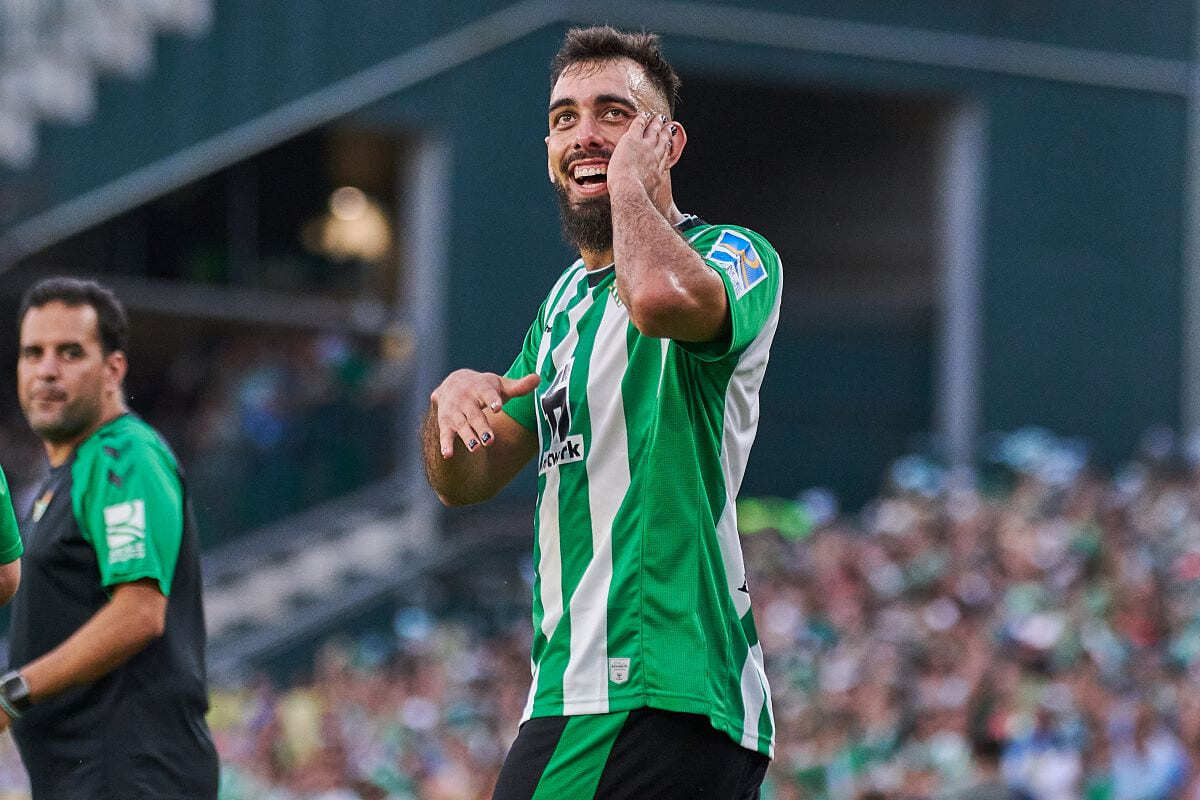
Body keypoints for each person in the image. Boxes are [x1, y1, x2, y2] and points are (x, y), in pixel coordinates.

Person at [422, 26, 782, 799]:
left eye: (613, 113)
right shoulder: (560, 308)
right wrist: (449, 404)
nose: (584, 134)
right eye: (565, 118)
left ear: (668, 143)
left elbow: (656, 301)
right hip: (614, 688)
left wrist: (628, 190)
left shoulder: (734, 253)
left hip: (642, 680)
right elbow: (466, 480)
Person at [2, 277, 217, 798]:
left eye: (70, 352)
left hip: (129, 775)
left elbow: (139, 612)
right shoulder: (63, 477)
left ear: (113, 370)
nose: (47, 370)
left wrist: (13, 693)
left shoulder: (123, 455)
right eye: (33, 353)